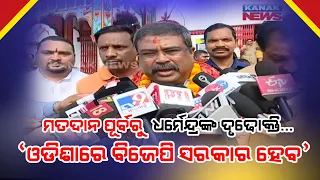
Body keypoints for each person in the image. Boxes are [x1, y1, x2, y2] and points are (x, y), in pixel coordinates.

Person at [131, 22, 220, 96]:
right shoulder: (130, 92)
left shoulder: (218, 86)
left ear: (191, 53)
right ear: (138, 59)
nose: (161, 60)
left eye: (171, 51)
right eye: (149, 53)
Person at [77, 25, 139, 94]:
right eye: (104, 48)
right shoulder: (85, 85)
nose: (110, 54)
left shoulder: (150, 75)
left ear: (137, 48)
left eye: (119, 47)